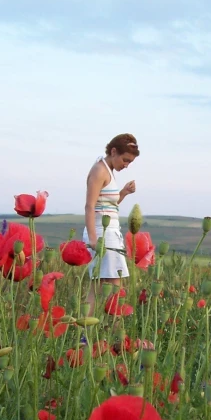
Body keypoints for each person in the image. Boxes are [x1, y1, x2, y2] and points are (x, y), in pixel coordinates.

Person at [83, 133, 139, 313]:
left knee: (101, 284)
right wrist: (93, 239)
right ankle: (113, 333)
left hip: (109, 232)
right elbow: (90, 206)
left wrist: (122, 193)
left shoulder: (108, 170)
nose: (126, 165)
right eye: (125, 160)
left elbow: (106, 206)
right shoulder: (100, 170)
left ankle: (89, 335)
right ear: (113, 151)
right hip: (101, 234)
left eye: (130, 162)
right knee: (113, 285)